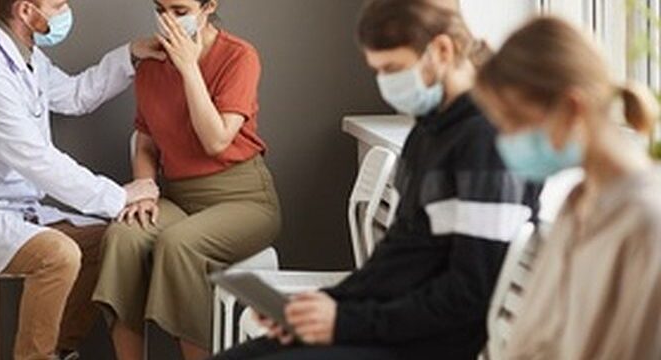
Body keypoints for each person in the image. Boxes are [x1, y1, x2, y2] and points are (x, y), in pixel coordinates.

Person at [212, 0, 541, 359]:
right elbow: (396, 259)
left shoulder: (486, 142)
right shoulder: (429, 132)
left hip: (427, 345)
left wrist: (344, 321)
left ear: (442, 50)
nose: (386, 82)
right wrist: (319, 308)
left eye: (393, 68)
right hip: (385, 329)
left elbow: (467, 296)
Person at [0, 0, 166, 359]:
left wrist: (131, 55)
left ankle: (59, 350)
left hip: (12, 210)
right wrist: (120, 195)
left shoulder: (26, 57)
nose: (66, 10)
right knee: (58, 254)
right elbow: (37, 160)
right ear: (27, 11)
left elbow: (77, 95)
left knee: (110, 240)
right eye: (58, 4)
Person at [91, 1, 282, 359]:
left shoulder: (239, 56)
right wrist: (145, 191)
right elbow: (145, 144)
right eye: (161, 8)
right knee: (123, 236)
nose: (168, 20)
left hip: (243, 198)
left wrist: (189, 68)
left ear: (209, 6)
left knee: (179, 244)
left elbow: (216, 140)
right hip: (177, 198)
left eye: (180, 10)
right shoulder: (151, 64)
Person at [474, 16, 661, 359]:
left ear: (572, 108)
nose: (504, 141)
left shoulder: (647, 223)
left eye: (513, 122)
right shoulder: (578, 204)